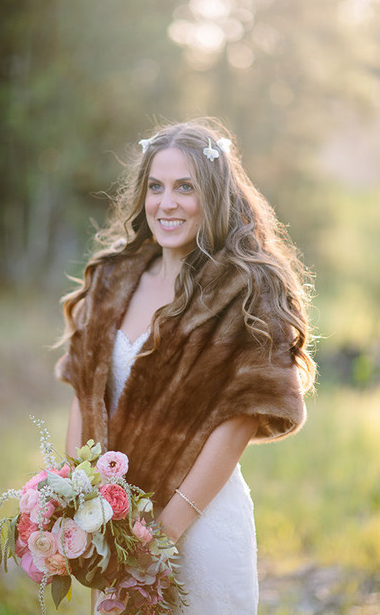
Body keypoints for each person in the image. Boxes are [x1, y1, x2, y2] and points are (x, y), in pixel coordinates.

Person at [56, 118, 316, 614]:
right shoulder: (112, 279)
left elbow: (236, 425)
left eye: (185, 187)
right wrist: (79, 508)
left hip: (199, 525)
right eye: (156, 187)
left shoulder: (245, 291)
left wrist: (160, 538)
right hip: (114, 531)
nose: (166, 202)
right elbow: (84, 399)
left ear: (213, 196)